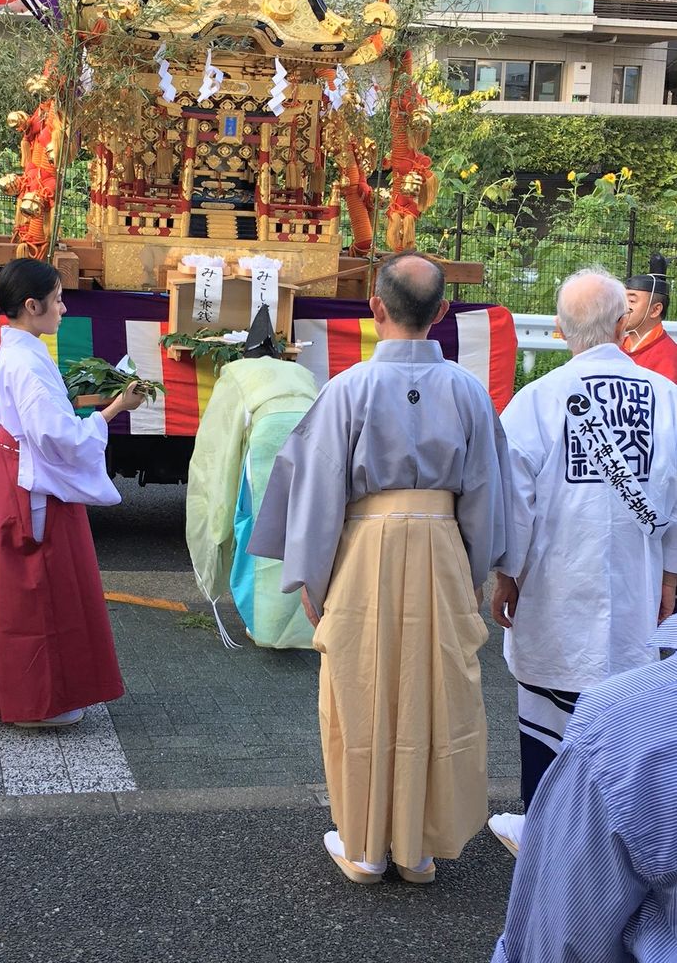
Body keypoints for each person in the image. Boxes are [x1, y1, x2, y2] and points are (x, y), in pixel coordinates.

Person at [248, 252, 512, 884]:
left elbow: (316, 489)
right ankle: (420, 846)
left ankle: (366, 846)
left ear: (376, 309)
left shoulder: (349, 388)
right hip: (443, 544)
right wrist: (478, 569)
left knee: (360, 685)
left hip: (365, 545)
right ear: (443, 313)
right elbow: (486, 491)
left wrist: (310, 574)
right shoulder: (468, 391)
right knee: (435, 687)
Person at [489, 267, 677, 858]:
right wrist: (670, 574)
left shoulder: (536, 402)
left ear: (562, 329)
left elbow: (512, 504)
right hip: (635, 585)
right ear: (624, 320)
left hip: (552, 583)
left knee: (547, 703)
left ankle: (544, 830)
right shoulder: (668, 399)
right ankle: (622, 834)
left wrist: (506, 574)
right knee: (626, 711)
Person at [0, 258, 145, 728]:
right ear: (31, 305)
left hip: (14, 472)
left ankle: (25, 693)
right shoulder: (25, 360)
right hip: (32, 482)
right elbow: (59, 439)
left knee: (24, 590)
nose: (63, 308)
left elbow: (45, 425)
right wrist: (115, 408)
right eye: (58, 299)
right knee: (40, 589)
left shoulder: (15, 349)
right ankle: (39, 700)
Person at [492, 613, 677, 962]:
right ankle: (541, 822)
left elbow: (562, 941)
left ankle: (541, 823)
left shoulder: (625, 725)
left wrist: (504, 572)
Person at [185, 304, 318, 648]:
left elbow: (218, 437)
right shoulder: (300, 372)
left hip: (268, 440)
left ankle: (265, 626)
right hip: (312, 440)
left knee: (258, 527)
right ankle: (307, 624)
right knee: (304, 528)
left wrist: (217, 493)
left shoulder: (236, 371)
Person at [622, 253, 677, 382]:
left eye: (631, 301)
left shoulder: (670, 358)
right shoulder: (615, 348)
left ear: (655, 310)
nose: (623, 307)